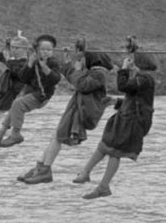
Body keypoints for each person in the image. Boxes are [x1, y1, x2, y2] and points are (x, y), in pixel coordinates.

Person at [17, 49, 114, 184]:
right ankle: (40, 167)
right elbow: (75, 79)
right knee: (55, 136)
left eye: (83, 59)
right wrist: (68, 63)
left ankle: (45, 170)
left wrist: (78, 70)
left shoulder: (99, 74)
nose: (81, 61)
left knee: (58, 137)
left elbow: (82, 85)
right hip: (76, 108)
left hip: (83, 110)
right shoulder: (94, 73)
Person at [78, 51, 157, 200]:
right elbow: (135, 99)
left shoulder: (145, 78)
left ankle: (103, 186)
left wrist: (123, 70)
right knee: (104, 145)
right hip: (126, 117)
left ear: (140, 63)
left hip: (133, 121)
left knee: (116, 151)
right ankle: (85, 172)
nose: (130, 62)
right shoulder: (142, 78)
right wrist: (117, 102)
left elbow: (123, 86)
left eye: (132, 61)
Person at [0, 34, 61, 148]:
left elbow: (55, 79)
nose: (46, 52)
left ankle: (15, 134)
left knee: (17, 104)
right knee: (13, 109)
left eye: (49, 50)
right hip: (29, 91)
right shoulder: (32, 59)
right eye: (43, 49)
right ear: (37, 50)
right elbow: (23, 77)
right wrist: (30, 64)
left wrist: (44, 67)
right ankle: (0, 135)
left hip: (41, 95)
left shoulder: (53, 62)